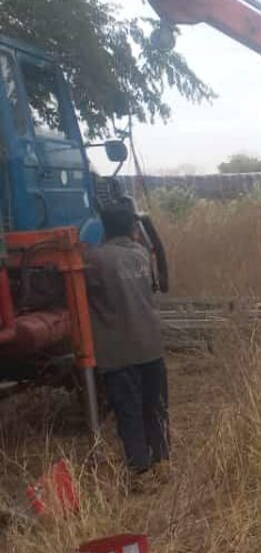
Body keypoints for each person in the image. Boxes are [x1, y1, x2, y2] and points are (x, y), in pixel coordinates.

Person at [84, 203, 169, 477]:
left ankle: (140, 470)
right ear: (132, 228)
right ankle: (161, 461)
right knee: (155, 407)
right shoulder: (141, 253)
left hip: (119, 353)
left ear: (105, 229)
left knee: (128, 411)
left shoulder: (96, 260)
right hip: (152, 346)